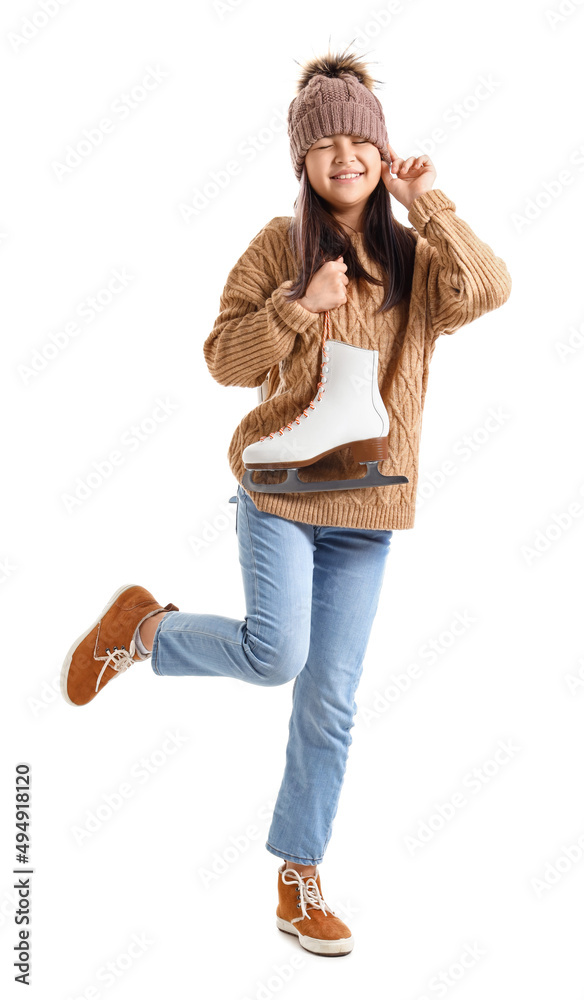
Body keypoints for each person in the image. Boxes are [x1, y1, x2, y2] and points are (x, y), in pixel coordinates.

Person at [60, 46, 512, 957]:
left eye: (362, 141)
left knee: (330, 702)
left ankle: (297, 880)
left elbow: (492, 291)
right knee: (276, 659)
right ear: (302, 160)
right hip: (281, 493)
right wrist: (301, 306)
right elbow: (225, 362)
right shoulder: (279, 244)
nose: (346, 155)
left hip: (371, 512)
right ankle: (142, 634)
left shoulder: (418, 258)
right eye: (326, 143)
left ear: (384, 156)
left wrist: (435, 205)